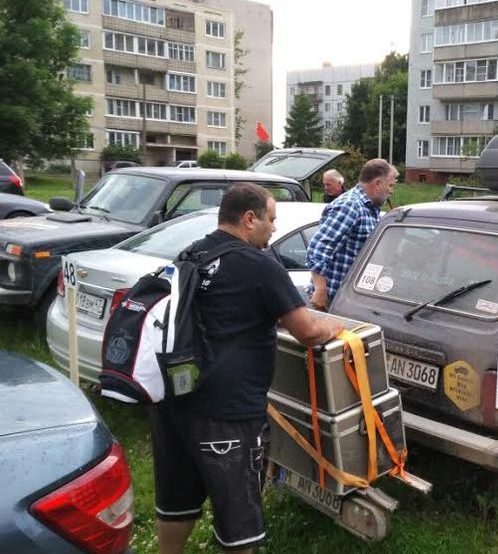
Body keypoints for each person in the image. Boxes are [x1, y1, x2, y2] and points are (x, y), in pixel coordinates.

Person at [150, 183, 343, 554]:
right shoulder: (259, 265)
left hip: (174, 399)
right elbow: (307, 331)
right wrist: (333, 326)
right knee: (238, 512)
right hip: (227, 413)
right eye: (271, 219)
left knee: (176, 497)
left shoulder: (191, 253)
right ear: (250, 219)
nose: (274, 228)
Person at [306, 158, 398, 310]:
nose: (391, 191)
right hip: (334, 301)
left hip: (352, 300)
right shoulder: (351, 205)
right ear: (377, 183)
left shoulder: (369, 208)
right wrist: (321, 290)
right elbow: (319, 248)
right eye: (390, 185)